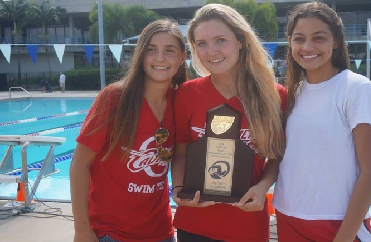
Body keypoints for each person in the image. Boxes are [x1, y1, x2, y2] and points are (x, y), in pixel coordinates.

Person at [171, 4, 286, 242]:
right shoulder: (186, 94)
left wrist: (263, 187)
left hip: (247, 224)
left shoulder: (274, 96)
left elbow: (277, 155)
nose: (211, 51)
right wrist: (177, 188)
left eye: (220, 40)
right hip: (194, 222)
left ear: (241, 41)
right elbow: (181, 151)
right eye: (201, 43)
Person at [272, 2, 371, 242]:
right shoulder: (293, 92)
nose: (308, 47)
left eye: (318, 38)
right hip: (287, 215)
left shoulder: (356, 88)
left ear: (335, 41)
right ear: (290, 42)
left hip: (337, 221)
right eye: (299, 39)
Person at [70, 19, 187, 242]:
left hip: (161, 232)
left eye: (169, 51)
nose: (160, 58)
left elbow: (181, 154)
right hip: (111, 233)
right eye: (151, 50)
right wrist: (81, 228)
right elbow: (79, 164)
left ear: (182, 58)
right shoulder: (114, 99)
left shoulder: (179, 102)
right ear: (141, 56)